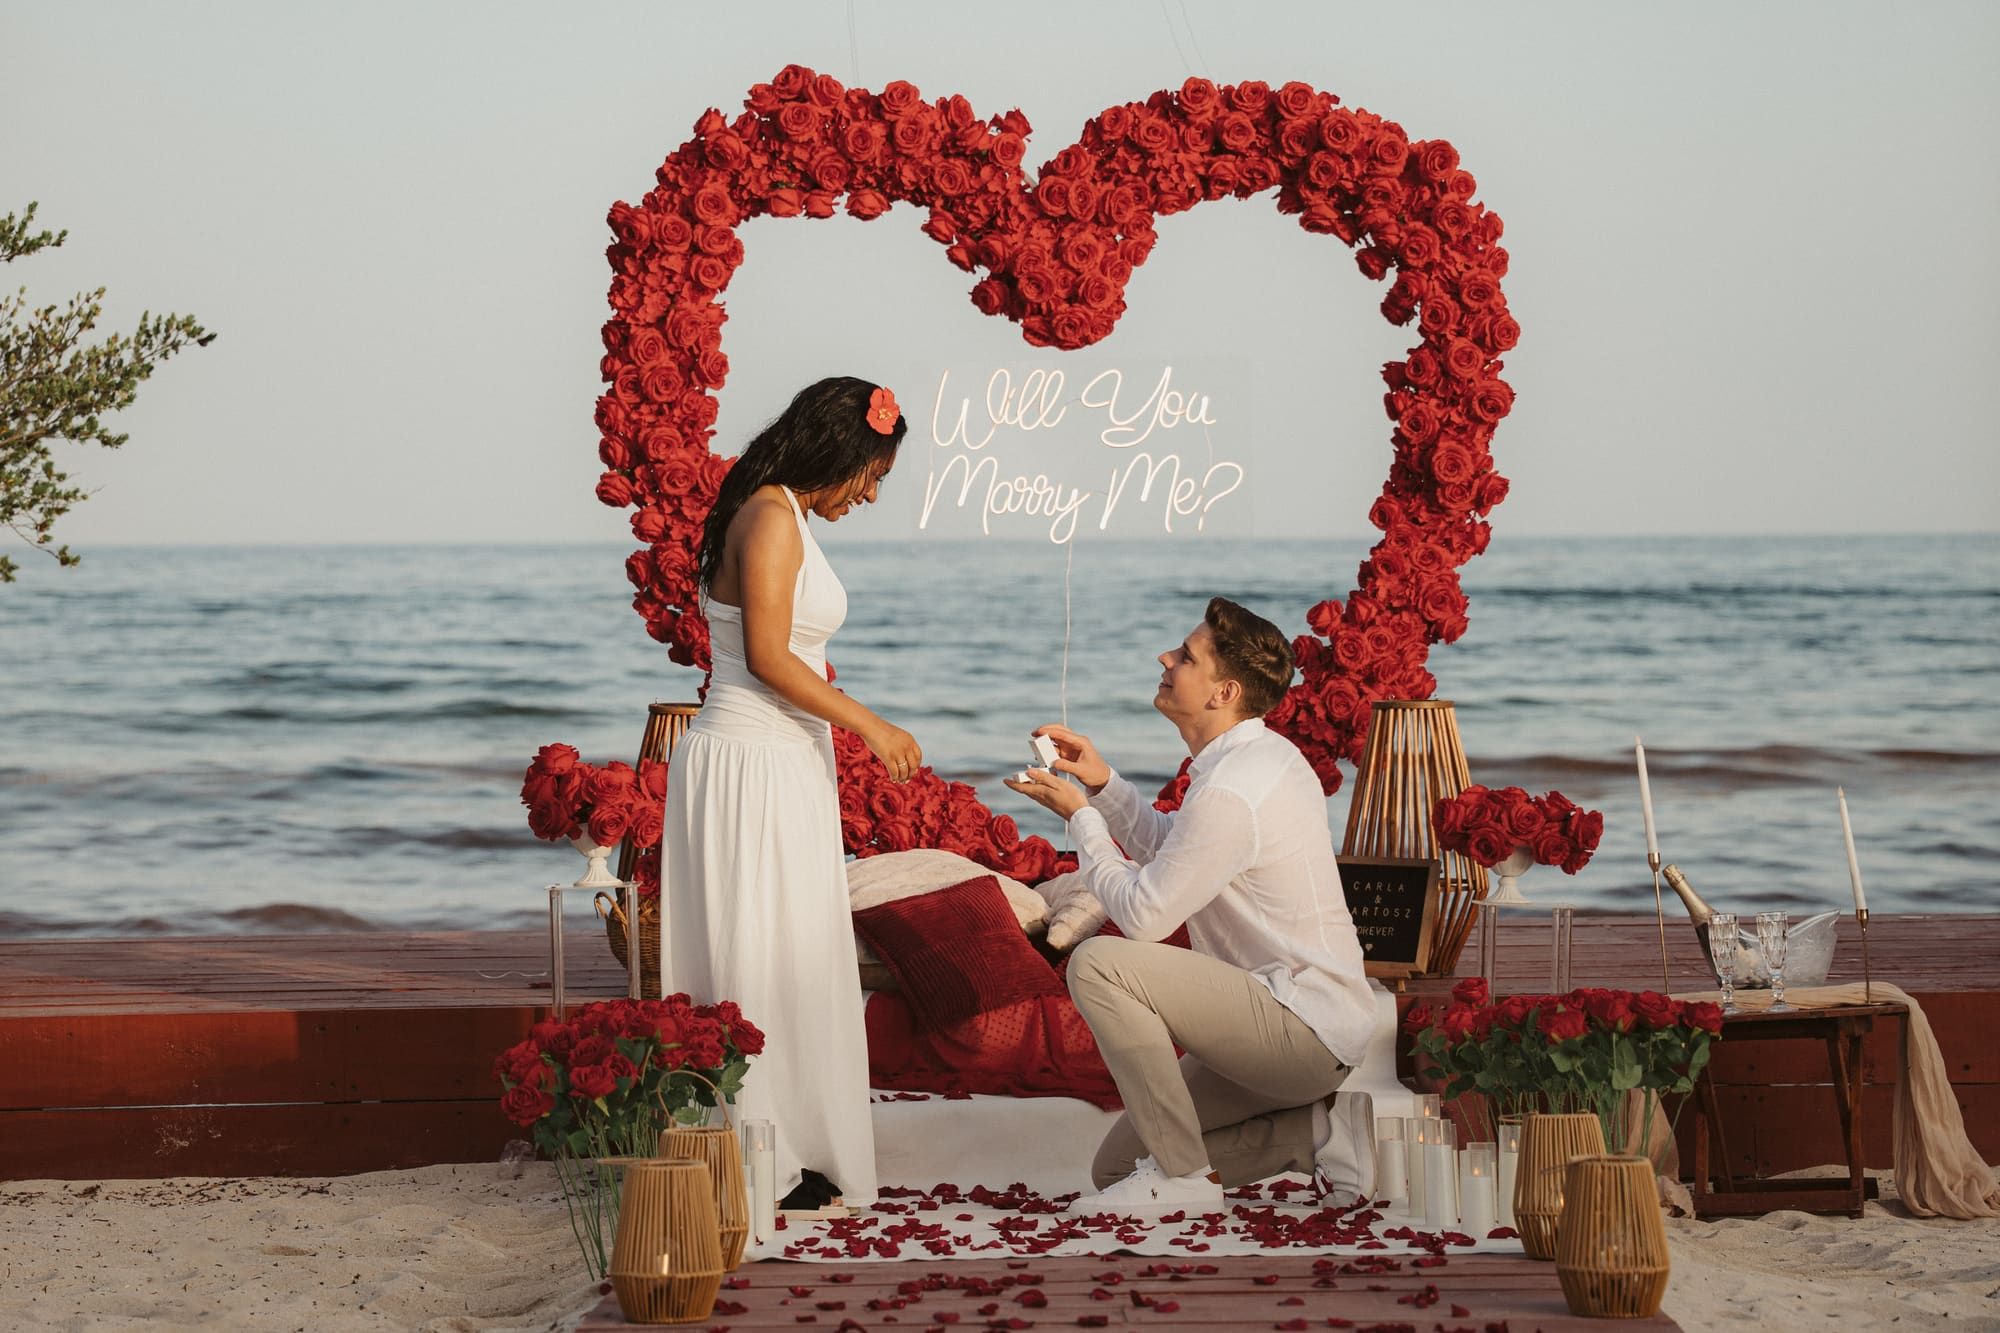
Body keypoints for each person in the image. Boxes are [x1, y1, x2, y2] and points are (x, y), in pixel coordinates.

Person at [1005, 597, 1375, 1212]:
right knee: (1118, 1169)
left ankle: (1183, 1181)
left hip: (1302, 1028)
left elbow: (1146, 917)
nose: (1165, 658)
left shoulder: (1235, 786)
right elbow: (1173, 849)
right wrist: (1102, 785)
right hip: (1285, 1021)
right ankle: (1316, 1134)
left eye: (1185, 656)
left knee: (1098, 964)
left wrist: (1082, 820)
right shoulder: (1251, 759)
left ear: (1223, 692)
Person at [662, 375, 920, 1212]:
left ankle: (793, 1147)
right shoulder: (771, 517)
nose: (870, 495)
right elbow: (770, 657)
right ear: (837, 452)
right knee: (758, 953)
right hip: (751, 759)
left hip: (784, 759)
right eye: (872, 475)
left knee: (794, 952)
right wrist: (871, 725)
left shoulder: (785, 512)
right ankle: (757, 1156)